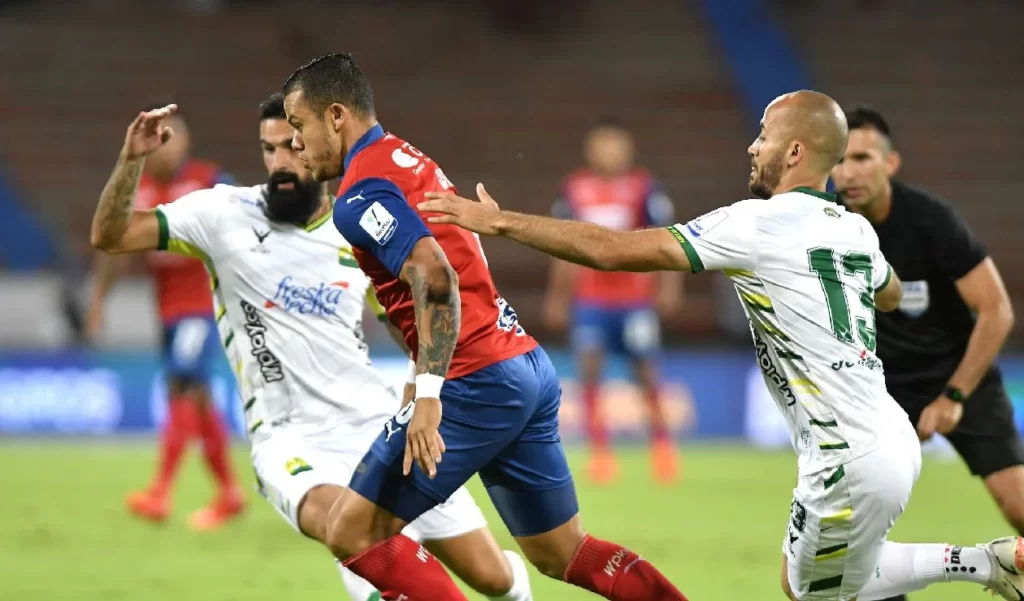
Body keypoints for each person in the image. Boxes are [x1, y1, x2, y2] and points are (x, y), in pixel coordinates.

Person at [420, 89, 1024, 601]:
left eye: (764, 135)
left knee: (813, 589)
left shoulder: (755, 224)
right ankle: (987, 563)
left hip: (846, 456)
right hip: (889, 436)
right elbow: (890, 293)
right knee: (814, 580)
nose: (752, 147)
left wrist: (501, 222)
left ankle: (984, 563)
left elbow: (613, 250)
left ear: (794, 152)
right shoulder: (857, 229)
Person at [88, 94, 534, 601]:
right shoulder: (221, 214)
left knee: (493, 578)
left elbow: (411, 325)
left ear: (320, 147)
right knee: (347, 529)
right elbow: (111, 235)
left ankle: (512, 583)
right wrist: (131, 160)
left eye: (292, 146)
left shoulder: (357, 227)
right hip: (290, 439)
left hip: (376, 425)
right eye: (269, 149)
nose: (280, 162)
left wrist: (423, 387)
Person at [282, 52, 687, 601]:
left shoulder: (359, 193)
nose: (295, 143)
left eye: (298, 125)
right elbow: (450, 268)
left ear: (336, 116)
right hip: (522, 363)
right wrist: (418, 374)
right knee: (560, 552)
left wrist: (429, 392)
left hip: (472, 379)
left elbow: (436, 276)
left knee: (350, 531)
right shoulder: (406, 159)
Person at [832, 106, 1020, 601]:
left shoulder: (931, 221)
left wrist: (954, 395)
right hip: (879, 390)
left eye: (862, 158)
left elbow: (996, 310)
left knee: (1018, 504)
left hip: (958, 376)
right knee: (849, 525)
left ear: (890, 163)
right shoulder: (828, 228)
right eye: (839, 160)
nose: (848, 173)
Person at [85, 102, 243, 530]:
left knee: (182, 385)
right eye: (162, 137)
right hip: (168, 312)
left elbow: (250, 226)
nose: (168, 146)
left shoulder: (210, 181)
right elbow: (114, 251)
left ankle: (160, 491)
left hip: (203, 307)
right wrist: (98, 299)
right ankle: (229, 493)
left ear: (187, 140)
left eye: (175, 135)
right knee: (199, 399)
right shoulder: (137, 192)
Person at [546, 116, 682, 484]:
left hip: (634, 300)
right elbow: (562, 244)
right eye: (601, 145)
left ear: (628, 149)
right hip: (590, 299)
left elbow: (667, 237)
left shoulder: (644, 187)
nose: (608, 152)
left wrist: (669, 287)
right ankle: (600, 453)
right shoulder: (575, 188)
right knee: (589, 370)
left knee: (646, 371)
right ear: (590, 150)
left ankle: (662, 448)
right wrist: (558, 296)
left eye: (614, 145)